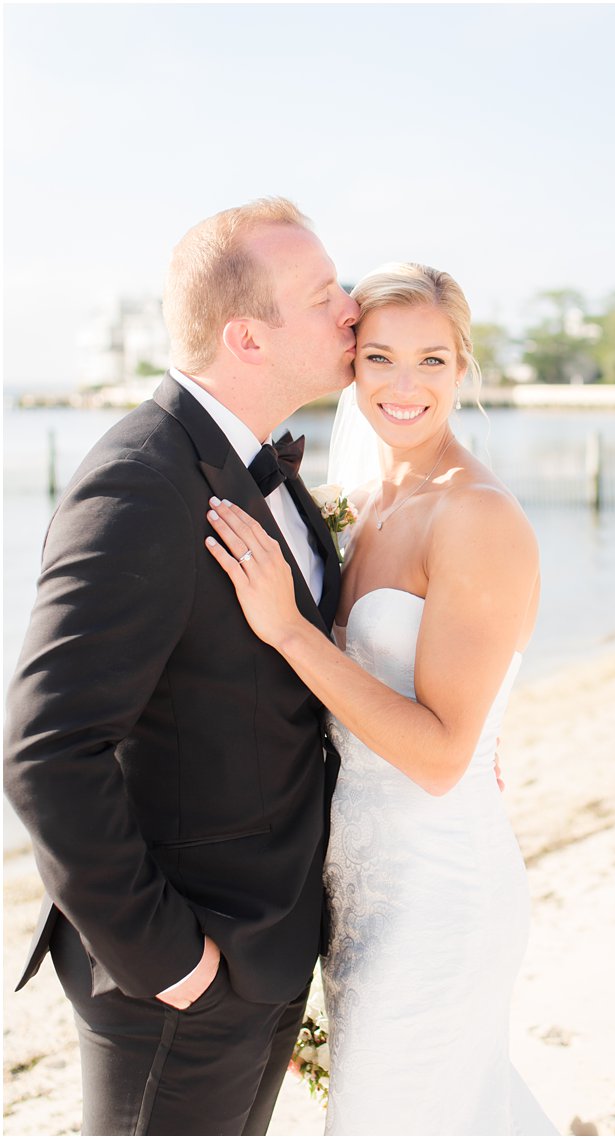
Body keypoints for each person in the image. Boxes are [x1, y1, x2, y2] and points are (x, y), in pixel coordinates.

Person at [4, 197, 355, 1134]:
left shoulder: (256, 472)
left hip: (268, 953)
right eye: (324, 295)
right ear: (247, 336)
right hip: (182, 978)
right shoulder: (139, 482)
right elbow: (46, 750)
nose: (351, 309)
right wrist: (170, 960)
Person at [204, 262, 554, 1135]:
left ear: (464, 367)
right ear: (350, 368)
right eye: (381, 359)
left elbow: (441, 756)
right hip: (358, 884)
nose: (404, 386)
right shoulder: (362, 504)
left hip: (439, 888)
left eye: (432, 361)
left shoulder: (478, 517)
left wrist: (289, 629)